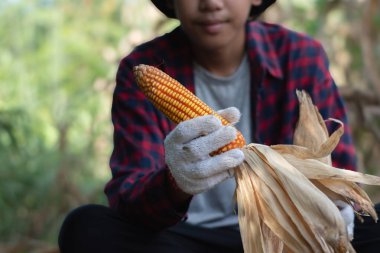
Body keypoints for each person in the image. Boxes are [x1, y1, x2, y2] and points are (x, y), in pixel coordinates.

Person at [58, 0, 380, 252]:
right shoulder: (141, 68)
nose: (211, 2)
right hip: (184, 242)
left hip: (284, 240)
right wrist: (175, 182)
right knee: (85, 227)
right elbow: (129, 198)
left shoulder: (300, 55)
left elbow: (339, 170)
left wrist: (336, 209)